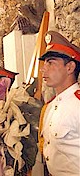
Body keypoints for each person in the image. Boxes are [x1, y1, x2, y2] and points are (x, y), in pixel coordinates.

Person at [38, 31, 80, 176]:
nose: (43, 69)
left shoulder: (77, 105)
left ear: (70, 67)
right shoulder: (50, 107)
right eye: (45, 63)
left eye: (51, 63)